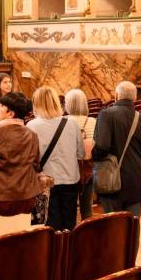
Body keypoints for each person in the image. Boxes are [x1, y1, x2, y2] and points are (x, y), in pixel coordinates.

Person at [0, 91, 41, 246]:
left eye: (2, 106)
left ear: (11, 113)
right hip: (24, 198)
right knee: (18, 247)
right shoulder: (32, 135)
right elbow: (36, 165)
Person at [92, 81, 141, 217]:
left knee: (113, 227)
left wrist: (93, 156)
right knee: (131, 228)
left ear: (116, 95)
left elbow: (102, 146)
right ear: (135, 98)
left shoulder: (106, 114)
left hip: (111, 180)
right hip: (135, 181)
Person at [27, 86, 84, 231]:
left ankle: (53, 253)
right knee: (69, 224)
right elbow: (81, 154)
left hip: (46, 182)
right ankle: (68, 251)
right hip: (70, 179)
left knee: (49, 225)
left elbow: (30, 159)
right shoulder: (72, 123)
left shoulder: (32, 126)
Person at [64, 89, 97, 220]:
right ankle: (87, 237)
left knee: (69, 208)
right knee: (87, 209)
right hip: (87, 171)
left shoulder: (63, 121)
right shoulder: (93, 122)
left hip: (67, 170)